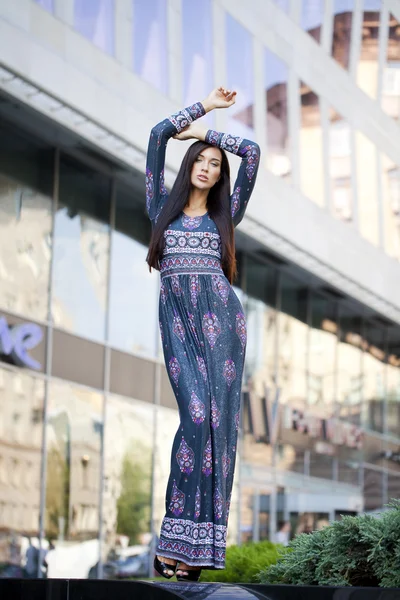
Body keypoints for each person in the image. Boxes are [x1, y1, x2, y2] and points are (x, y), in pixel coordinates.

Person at [146, 87, 260, 581]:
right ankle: (175, 535)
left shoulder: (225, 216)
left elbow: (251, 154)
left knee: (217, 429)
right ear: (189, 163)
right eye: (202, 159)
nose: (209, 167)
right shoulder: (159, 209)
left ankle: (196, 551)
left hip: (222, 328)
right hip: (177, 323)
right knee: (194, 419)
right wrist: (202, 110)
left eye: (216, 163)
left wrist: (211, 134)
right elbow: (155, 136)